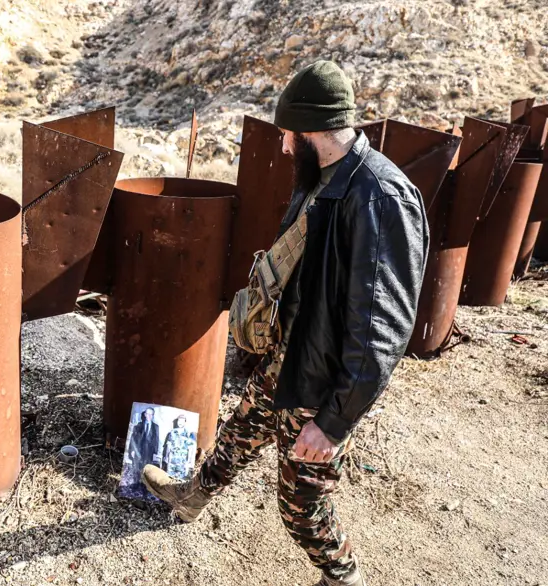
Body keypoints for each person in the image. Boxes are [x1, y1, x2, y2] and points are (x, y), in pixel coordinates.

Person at [142, 60, 429, 586]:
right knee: (245, 423)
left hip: (321, 383)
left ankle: (342, 576)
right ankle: (194, 495)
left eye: (287, 136)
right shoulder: (322, 179)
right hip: (293, 354)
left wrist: (333, 422)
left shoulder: (380, 199)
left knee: (302, 505)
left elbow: (382, 330)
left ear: (314, 131)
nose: (281, 147)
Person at [161, 415, 197, 480]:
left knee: (181, 481)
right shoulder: (172, 433)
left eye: (182, 421)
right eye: (179, 420)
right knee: (169, 479)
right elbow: (168, 446)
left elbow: (191, 450)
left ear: (185, 422)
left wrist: (190, 464)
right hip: (172, 461)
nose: (180, 422)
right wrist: (166, 458)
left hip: (182, 462)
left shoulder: (188, 434)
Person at [127, 407, 160, 478]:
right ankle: (135, 483)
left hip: (149, 452)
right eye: (147, 414)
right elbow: (133, 439)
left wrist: (155, 453)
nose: (149, 416)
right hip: (138, 451)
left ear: (153, 415)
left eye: (151, 414)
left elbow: (156, 440)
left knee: (147, 469)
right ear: (144, 414)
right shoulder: (138, 426)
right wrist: (132, 450)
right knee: (136, 468)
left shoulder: (156, 427)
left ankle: (144, 485)